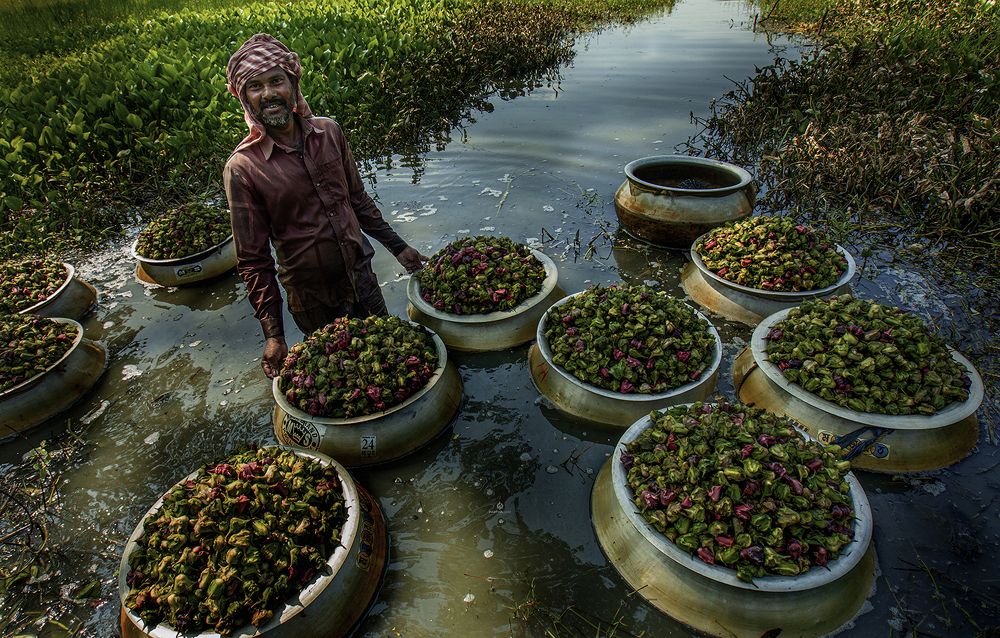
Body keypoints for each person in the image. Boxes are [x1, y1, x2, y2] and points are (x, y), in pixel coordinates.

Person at [223, 34, 426, 379]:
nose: (269, 94)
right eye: (255, 86)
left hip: (362, 278)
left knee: (391, 361)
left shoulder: (329, 132)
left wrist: (399, 247)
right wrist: (274, 336)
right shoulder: (243, 168)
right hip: (313, 301)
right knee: (342, 376)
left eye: (277, 81)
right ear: (244, 98)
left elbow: (358, 201)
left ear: (293, 85)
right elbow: (254, 262)